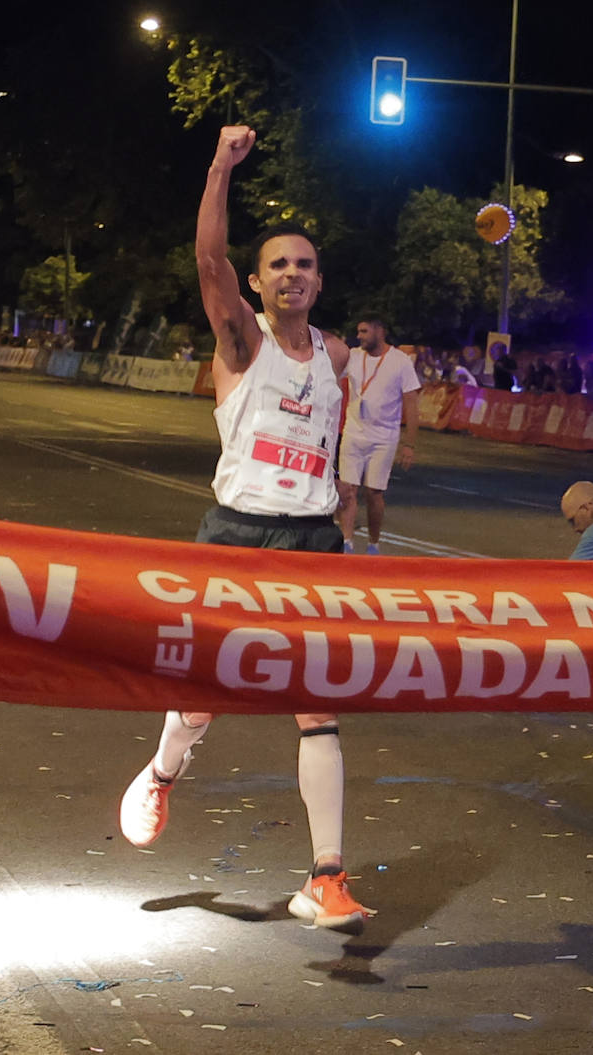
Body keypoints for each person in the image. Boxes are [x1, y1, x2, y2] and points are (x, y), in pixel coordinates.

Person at [119, 125, 374, 933]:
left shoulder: (335, 360)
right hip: (234, 534)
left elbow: (327, 443)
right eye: (277, 265)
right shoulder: (240, 343)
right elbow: (206, 260)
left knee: (318, 703)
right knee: (204, 694)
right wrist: (220, 170)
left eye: (303, 264)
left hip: (311, 543)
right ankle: (163, 772)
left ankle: (326, 877)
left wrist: (336, 505)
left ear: (319, 281)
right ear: (256, 284)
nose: (291, 274)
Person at [337, 316, 421, 555]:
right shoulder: (353, 356)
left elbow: (411, 404)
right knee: (347, 490)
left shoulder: (400, 362)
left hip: (384, 438)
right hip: (353, 433)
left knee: (374, 493)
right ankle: (347, 542)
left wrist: (409, 445)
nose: (360, 336)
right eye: (358, 331)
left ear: (380, 331)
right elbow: (331, 374)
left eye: (364, 331)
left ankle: (373, 543)